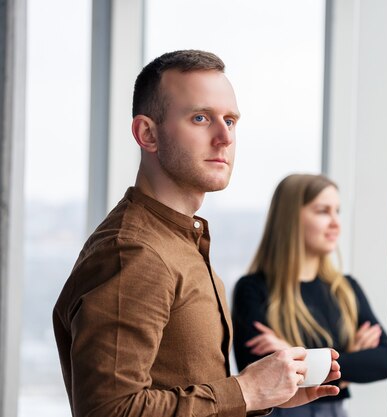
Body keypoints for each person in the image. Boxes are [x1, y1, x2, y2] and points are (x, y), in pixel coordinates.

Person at [52, 50, 341, 417]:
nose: (224, 137)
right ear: (147, 133)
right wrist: (245, 391)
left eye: (231, 121)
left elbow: (182, 385)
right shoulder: (134, 251)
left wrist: (261, 396)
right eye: (201, 118)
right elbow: (110, 409)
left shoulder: (181, 241)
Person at [232, 174, 387, 417]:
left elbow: (383, 360)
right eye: (323, 211)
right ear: (291, 218)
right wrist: (349, 362)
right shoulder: (253, 289)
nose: (336, 222)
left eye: (337, 211)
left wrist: (300, 360)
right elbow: (259, 377)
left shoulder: (346, 289)